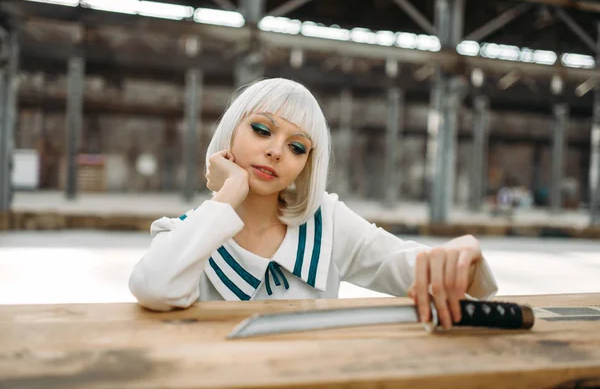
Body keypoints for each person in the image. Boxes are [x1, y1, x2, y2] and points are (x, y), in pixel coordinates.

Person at [129, 78, 497, 329]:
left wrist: (464, 254)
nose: (275, 151)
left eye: (297, 147)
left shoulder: (327, 222)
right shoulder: (183, 233)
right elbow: (155, 287)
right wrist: (229, 192)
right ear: (230, 132)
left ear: (307, 164)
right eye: (262, 130)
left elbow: (414, 272)